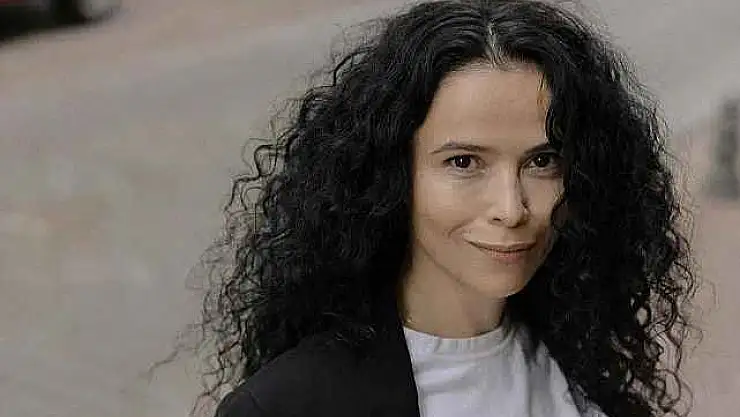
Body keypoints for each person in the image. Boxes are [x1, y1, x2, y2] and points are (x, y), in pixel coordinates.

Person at [196, 1, 699, 416]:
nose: (511, 208)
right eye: (464, 162)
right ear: (392, 176)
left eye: (542, 161)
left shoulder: (587, 374)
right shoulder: (287, 406)